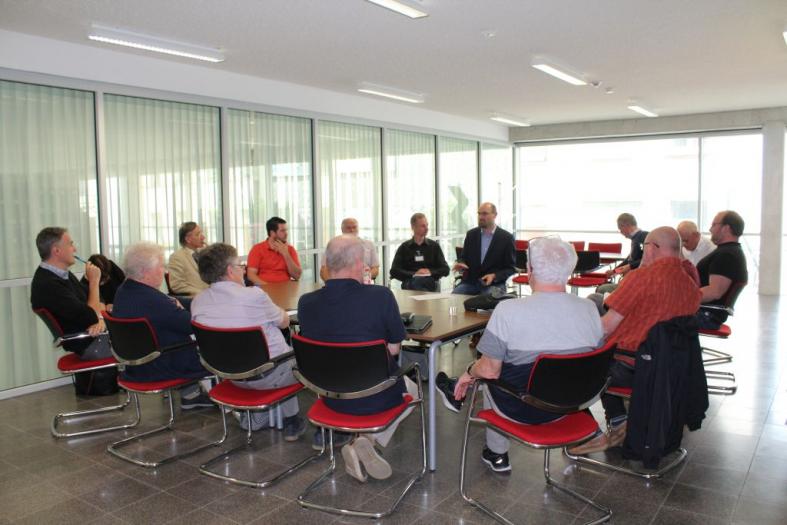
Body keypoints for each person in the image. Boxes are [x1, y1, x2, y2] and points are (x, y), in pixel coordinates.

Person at [440, 238, 603, 473]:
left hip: (523, 409)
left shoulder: (508, 310)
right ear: (569, 269)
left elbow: (488, 370)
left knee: (492, 372)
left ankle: (497, 454)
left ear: (530, 271)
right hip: (573, 405)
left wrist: (467, 373)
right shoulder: (589, 309)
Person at [569, 227, 701, 455]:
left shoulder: (641, 278)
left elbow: (606, 327)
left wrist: (569, 334)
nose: (642, 250)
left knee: (570, 366)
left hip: (634, 366)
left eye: (644, 246)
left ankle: (592, 433)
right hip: (671, 368)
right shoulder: (690, 285)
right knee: (605, 356)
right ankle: (620, 422)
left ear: (653, 248)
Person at [298, 235, 418, 483]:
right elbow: (394, 350)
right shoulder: (380, 297)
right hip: (375, 397)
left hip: (329, 398)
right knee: (414, 390)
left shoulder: (306, 303)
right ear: (356, 262)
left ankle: (363, 441)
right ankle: (367, 440)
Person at [190, 242, 306, 440]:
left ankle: (259, 415)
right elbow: (284, 322)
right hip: (269, 376)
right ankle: (291, 420)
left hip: (231, 377)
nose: (243, 268)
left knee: (273, 354)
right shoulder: (254, 295)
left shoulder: (198, 302)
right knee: (296, 357)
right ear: (229, 270)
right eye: (239, 265)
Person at [111, 242, 211, 409]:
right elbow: (192, 325)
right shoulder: (152, 301)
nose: (164, 271)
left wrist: (186, 304)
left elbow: (166, 306)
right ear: (145, 272)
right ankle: (223, 399)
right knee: (215, 341)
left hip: (137, 365)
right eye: (161, 266)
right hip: (160, 365)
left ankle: (191, 394)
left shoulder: (124, 291)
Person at [30, 227, 111, 360]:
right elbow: (90, 315)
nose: (75, 249)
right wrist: (94, 282)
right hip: (91, 343)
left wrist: (100, 319)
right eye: (70, 244)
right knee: (142, 343)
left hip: (95, 336)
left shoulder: (62, 274)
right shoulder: (49, 285)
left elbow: (96, 301)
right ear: (56, 251)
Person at [695, 210, 748, 329]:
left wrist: (682, 299)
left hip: (706, 315)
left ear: (726, 228)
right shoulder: (729, 251)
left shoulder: (726, 255)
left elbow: (714, 292)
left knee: (655, 315)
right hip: (705, 312)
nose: (710, 229)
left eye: (714, 225)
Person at [452, 202, 515, 296]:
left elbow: (510, 268)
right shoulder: (471, 235)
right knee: (454, 298)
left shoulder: (506, 238)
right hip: (471, 283)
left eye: (485, 213)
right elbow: (463, 257)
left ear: (495, 215)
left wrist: (494, 276)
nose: (481, 217)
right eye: (479, 213)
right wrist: (461, 263)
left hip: (495, 284)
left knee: (489, 300)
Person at [390, 213, 450, 291]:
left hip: (429, 281)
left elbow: (445, 269)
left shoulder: (434, 246)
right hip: (410, 281)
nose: (427, 228)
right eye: (423, 226)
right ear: (413, 227)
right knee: (416, 282)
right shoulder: (404, 247)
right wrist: (414, 274)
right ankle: (424, 301)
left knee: (419, 284)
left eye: (427, 225)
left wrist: (429, 272)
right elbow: (394, 271)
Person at [319, 217, 380, 283]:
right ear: (342, 229)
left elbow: (375, 269)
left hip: (363, 283)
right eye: (348, 228)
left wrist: (363, 278)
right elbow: (323, 270)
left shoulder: (369, 244)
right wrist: (331, 285)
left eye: (354, 227)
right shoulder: (334, 245)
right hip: (339, 284)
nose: (352, 230)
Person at [247, 217, 302, 285]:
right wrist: (269, 287)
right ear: (272, 233)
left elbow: (297, 276)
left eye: (286, 230)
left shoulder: (290, 249)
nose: (286, 233)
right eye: (282, 231)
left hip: (286, 288)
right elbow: (251, 275)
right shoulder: (257, 249)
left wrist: (286, 254)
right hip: (265, 289)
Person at [167, 221, 209, 296]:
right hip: (195, 298)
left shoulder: (205, 253)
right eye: (198, 234)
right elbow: (177, 285)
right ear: (188, 239)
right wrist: (201, 293)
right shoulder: (177, 257)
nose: (203, 237)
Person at [607, 213, 648, 278]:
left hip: (639, 278)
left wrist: (630, 266)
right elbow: (629, 260)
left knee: (603, 288)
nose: (620, 232)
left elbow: (648, 259)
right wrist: (614, 271)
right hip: (632, 276)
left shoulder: (645, 236)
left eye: (620, 229)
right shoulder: (636, 238)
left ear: (626, 225)